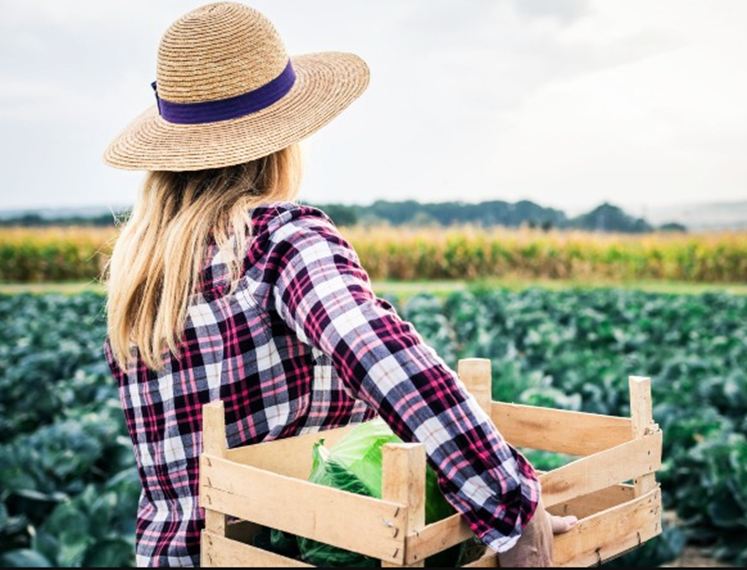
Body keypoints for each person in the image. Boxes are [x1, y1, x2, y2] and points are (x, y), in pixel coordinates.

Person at [102, 2, 576, 567]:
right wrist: (512, 508)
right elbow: (384, 357)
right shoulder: (279, 241)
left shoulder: (142, 281)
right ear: (283, 141)